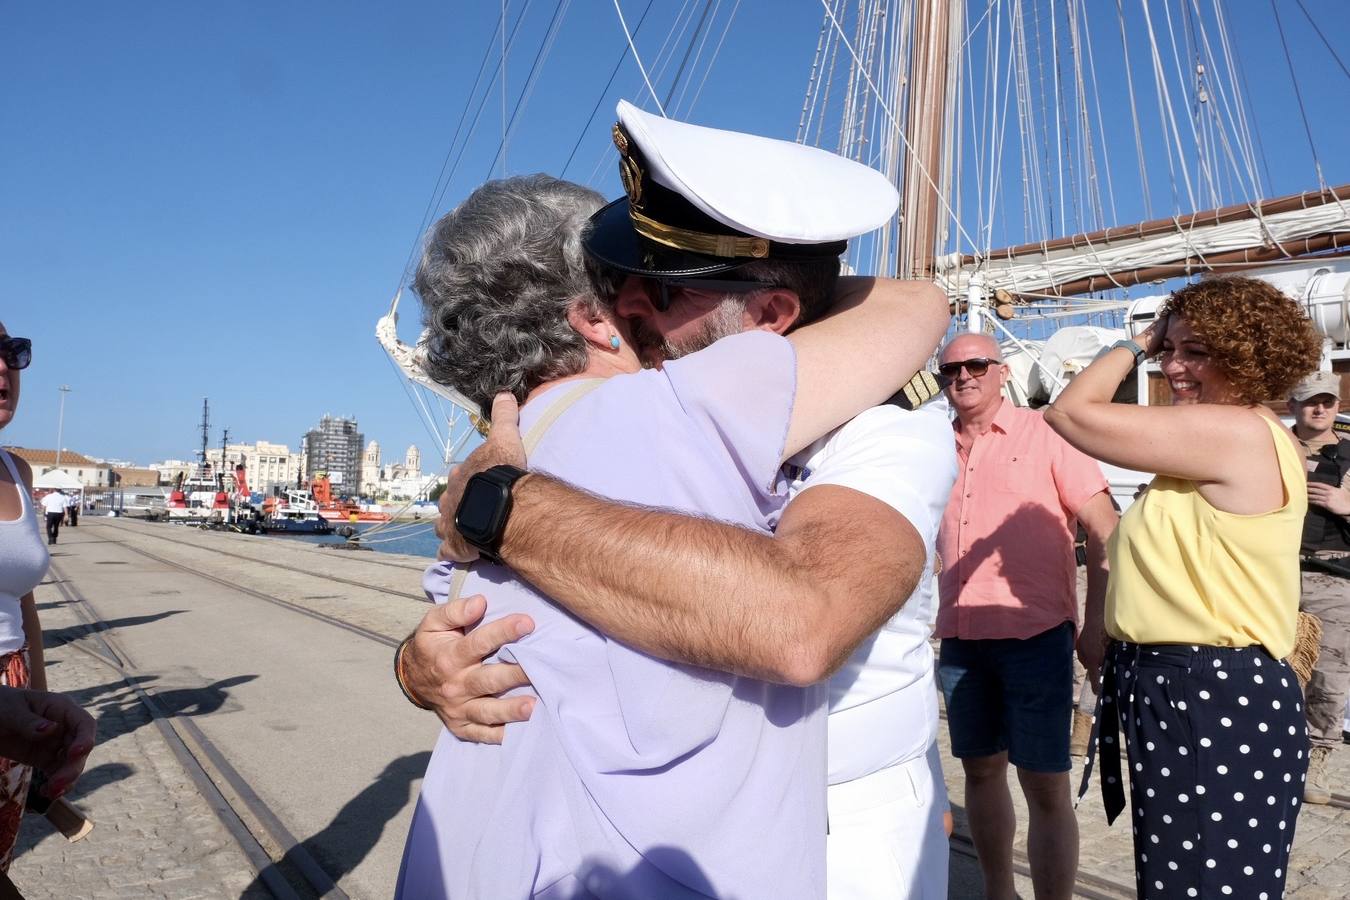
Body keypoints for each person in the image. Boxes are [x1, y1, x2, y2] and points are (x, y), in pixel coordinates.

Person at [406, 105, 957, 900]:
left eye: (656, 289)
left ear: (771, 317)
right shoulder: (655, 410)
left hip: (851, 831)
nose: (630, 305)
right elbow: (912, 300)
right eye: (618, 282)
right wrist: (420, 664)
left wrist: (506, 509)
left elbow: (806, 621)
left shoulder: (883, 418)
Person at [1046, 275, 1322, 900]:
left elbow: (1068, 412)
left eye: (1195, 350)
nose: (1173, 365)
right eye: (1168, 349)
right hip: (1187, 686)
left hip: (1208, 689)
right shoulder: (1211, 443)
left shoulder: (1235, 433)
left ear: (1244, 355)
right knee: (1187, 878)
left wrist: (1134, 341)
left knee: (1198, 884)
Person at [932, 331, 1117, 900]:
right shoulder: (933, 446)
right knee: (981, 771)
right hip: (960, 636)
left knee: (1044, 780)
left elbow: (1106, 528)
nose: (963, 376)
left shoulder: (1046, 434)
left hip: (1035, 634)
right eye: (951, 370)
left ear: (1003, 371)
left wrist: (1095, 628)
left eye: (976, 365)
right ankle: (997, 893)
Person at [0, 325, 55, 872]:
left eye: (12, 352)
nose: (2, 367)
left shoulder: (18, 470)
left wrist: (40, 696)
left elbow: (26, 602)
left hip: (11, 684)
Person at [1285, 370, 1350, 804]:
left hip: (1331, 575)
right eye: (1311, 400)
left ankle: (1317, 757)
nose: (1320, 408)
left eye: (1328, 400)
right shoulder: (1271, 449)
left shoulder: (1349, 455)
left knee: (1330, 673)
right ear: (1293, 405)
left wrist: (1346, 507)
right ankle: (1269, 752)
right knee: (1267, 669)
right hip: (1273, 573)